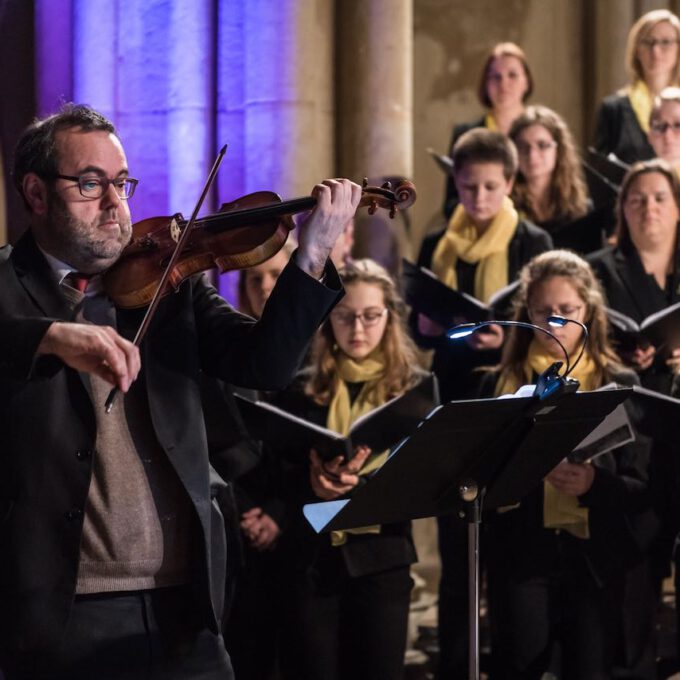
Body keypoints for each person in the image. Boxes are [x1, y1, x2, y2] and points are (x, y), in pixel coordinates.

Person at [0, 103, 361, 680]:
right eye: (91, 184)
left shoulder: (169, 286)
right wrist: (48, 337)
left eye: (122, 183)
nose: (117, 206)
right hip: (60, 613)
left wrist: (312, 254)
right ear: (36, 194)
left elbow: (264, 363)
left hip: (185, 610)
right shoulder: (4, 287)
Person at [411, 127, 551, 680]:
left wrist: (507, 338)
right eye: (469, 188)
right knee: (457, 562)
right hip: (454, 402)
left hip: (511, 406)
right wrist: (425, 327)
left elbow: (551, 326)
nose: (480, 199)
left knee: (511, 558)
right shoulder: (437, 242)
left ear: (511, 183)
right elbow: (417, 326)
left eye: (492, 187)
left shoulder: (531, 242)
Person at [478, 250, 653, 680]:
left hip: (593, 555)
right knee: (520, 665)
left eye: (567, 311)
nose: (553, 323)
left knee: (589, 667)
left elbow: (641, 483)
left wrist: (593, 481)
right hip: (521, 553)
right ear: (527, 312)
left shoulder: (620, 382)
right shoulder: (498, 381)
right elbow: (471, 473)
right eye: (543, 311)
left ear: (589, 310)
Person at [273, 259, 426, 680]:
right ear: (328, 320)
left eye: (370, 316)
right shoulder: (302, 385)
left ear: (390, 318)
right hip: (312, 561)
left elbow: (424, 477)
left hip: (383, 560)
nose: (357, 329)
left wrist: (362, 486)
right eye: (344, 316)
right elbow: (276, 463)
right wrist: (311, 482)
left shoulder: (415, 390)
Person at [442, 42, 534, 218]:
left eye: (512, 75)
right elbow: (451, 202)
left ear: (527, 82)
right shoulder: (465, 134)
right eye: (495, 77)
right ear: (485, 84)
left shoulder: (541, 133)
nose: (504, 84)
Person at [594, 9, 680, 164]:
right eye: (648, 42)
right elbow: (602, 172)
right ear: (636, 50)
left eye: (666, 42)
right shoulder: (614, 110)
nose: (655, 50)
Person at [509, 105, 590, 235]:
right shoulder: (505, 206)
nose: (532, 155)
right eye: (523, 146)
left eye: (542, 145)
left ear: (559, 150)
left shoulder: (582, 208)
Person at [648, 86, 680, 174]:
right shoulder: (639, 181)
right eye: (660, 126)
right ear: (649, 135)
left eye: (678, 125)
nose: (668, 135)